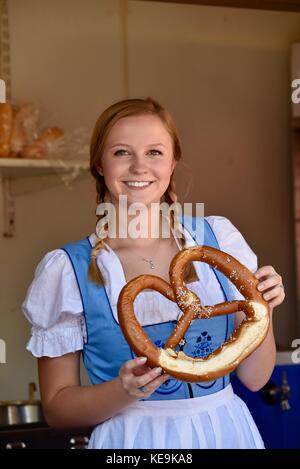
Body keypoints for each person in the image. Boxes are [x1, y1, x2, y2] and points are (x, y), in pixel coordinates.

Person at [22, 97, 285, 449]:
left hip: (226, 433)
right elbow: (57, 409)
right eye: (121, 153)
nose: (139, 167)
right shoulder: (67, 270)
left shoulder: (219, 240)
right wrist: (123, 390)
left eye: (154, 152)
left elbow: (254, 378)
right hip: (133, 443)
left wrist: (263, 309)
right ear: (99, 164)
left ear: (173, 161)